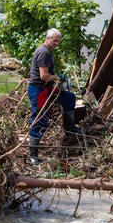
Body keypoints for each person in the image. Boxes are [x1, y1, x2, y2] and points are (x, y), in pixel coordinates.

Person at [27, 28, 81, 165]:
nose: (56, 43)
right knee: (40, 119)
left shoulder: (48, 51)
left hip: (47, 89)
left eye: (58, 41)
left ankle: (70, 130)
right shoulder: (44, 52)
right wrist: (57, 77)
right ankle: (32, 155)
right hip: (40, 91)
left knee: (69, 98)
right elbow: (44, 76)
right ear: (47, 38)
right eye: (54, 40)